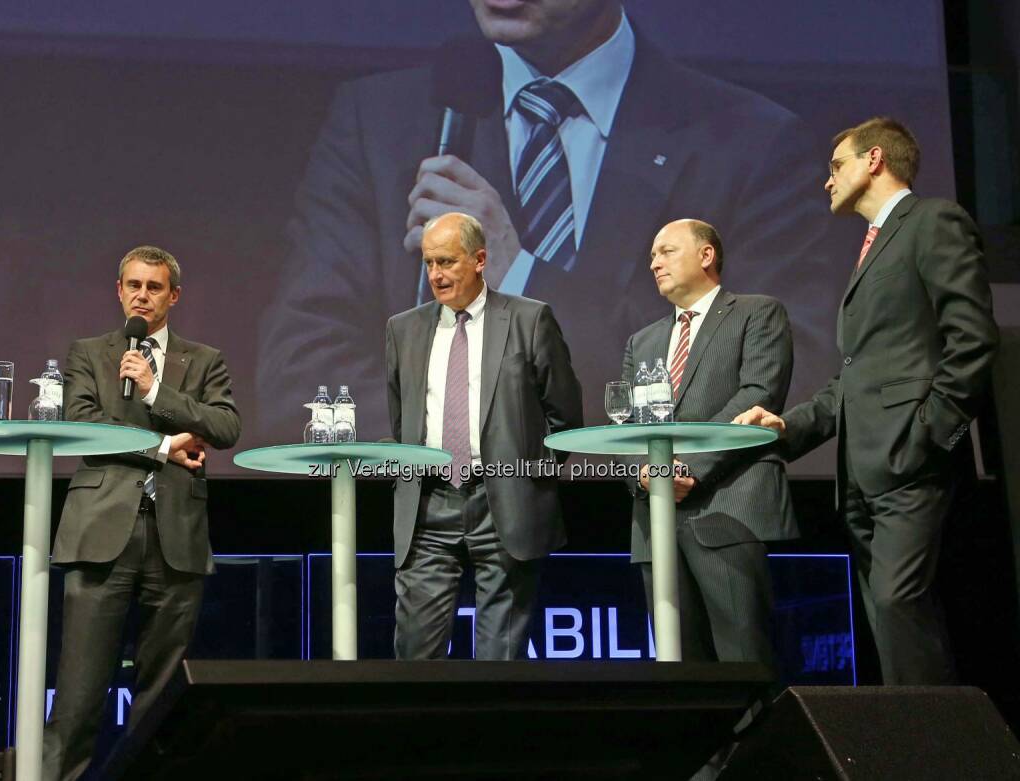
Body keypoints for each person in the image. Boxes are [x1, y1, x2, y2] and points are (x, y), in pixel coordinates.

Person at [257, 0, 835, 443]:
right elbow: (299, 373)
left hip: (648, 508)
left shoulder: (751, 141)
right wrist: (490, 448)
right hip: (433, 518)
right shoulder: (376, 123)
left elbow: (781, 374)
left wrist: (518, 271)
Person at [735, 117, 999, 684]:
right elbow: (853, 381)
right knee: (891, 615)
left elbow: (973, 342)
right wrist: (789, 426)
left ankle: (932, 754)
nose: (826, 182)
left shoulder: (932, 222)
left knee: (898, 603)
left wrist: (932, 435)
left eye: (836, 167)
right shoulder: (872, 244)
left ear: (873, 159)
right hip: (862, 473)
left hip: (909, 461)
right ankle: (930, 746)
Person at [43, 246, 241, 779]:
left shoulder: (203, 360)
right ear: (118, 290)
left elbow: (225, 426)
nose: (141, 296)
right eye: (133, 285)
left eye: (154, 288)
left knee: (160, 700)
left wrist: (158, 391)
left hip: (175, 538)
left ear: (173, 296)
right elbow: (86, 427)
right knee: (79, 696)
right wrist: (163, 448)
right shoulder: (88, 353)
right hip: (102, 531)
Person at [385, 212, 582, 659]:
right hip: (428, 508)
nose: (435, 274)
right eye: (428, 263)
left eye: (447, 262)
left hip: (505, 508)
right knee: (416, 657)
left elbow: (565, 417)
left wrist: (525, 477)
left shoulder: (530, 320)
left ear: (479, 260)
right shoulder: (403, 329)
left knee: (501, 664)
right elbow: (403, 422)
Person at [622, 219, 797, 665]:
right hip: (655, 520)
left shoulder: (757, 312)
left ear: (706, 255)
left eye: (666, 252)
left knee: (743, 662)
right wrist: (645, 472)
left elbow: (757, 394)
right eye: (651, 257)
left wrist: (686, 466)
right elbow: (626, 425)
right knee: (680, 671)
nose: (654, 263)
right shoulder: (642, 341)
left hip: (727, 509)